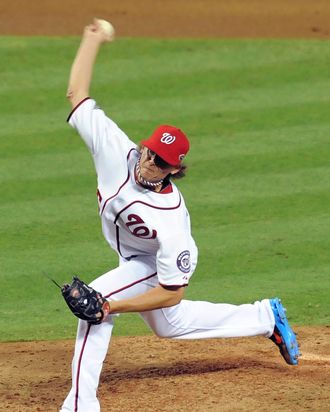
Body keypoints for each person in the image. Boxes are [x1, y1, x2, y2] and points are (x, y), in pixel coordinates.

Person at [60, 19, 300, 412]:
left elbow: (173, 291)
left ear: (174, 169)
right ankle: (264, 317)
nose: (149, 162)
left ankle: (80, 405)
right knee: (171, 326)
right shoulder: (112, 147)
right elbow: (77, 94)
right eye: (150, 152)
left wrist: (109, 306)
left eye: (161, 161)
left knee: (94, 307)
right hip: (131, 257)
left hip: (157, 266)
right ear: (144, 145)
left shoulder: (171, 221)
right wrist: (91, 38)